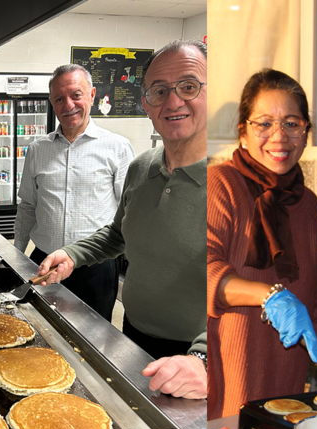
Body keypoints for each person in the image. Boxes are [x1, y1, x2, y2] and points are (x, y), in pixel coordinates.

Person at [36, 40, 208, 399]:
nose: (173, 101)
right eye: (159, 91)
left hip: (200, 358)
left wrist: (205, 359)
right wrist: (74, 254)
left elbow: (259, 290)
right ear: (145, 103)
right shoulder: (142, 167)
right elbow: (118, 234)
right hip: (133, 336)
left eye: (189, 87)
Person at [206, 69, 317, 419]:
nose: (279, 137)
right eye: (264, 123)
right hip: (227, 381)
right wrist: (269, 295)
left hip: (287, 386)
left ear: (306, 131)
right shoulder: (221, 186)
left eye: (292, 123)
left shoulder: (307, 204)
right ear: (243, 132)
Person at [14, 64, 134, 322]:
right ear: (51, 103)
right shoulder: (37, 150)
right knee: (40, 329)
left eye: (76, 95)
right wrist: (16, 254)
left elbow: (129, 213)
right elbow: (27, 206)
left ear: (92, 95)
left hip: (95, 266)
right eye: (59, 99)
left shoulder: (118, 147)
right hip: (44, 262)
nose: (68, 105)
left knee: (94, 337)